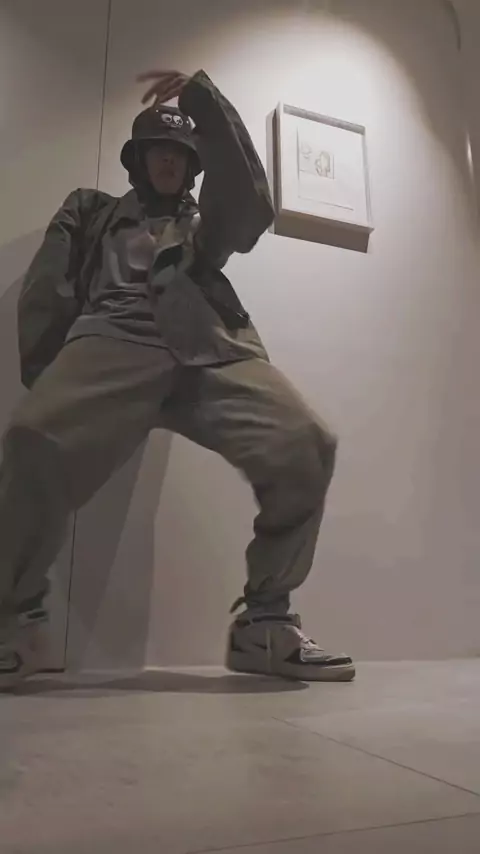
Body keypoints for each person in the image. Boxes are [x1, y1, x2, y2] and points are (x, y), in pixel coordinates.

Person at [0, 69, 355, 690]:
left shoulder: (205, 223)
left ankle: (264, 624)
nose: (169, 159)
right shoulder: (93, 210)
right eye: (158, 149)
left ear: (193, 165)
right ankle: (15, 621)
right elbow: (48, 284)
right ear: (138, 159)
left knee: (306, 441)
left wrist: (203, 101)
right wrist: (49, 374)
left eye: (181, 152)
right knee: (33, 437)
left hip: (208, 345)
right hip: (112, 339)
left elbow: (249, 207)